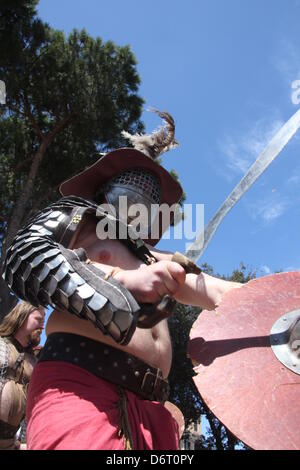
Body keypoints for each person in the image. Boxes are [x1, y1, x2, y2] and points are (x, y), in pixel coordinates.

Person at [2, 110, 240, 450]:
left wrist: (276, 301)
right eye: (135, 183)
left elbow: (216, 290)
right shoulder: (79, 221)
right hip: (80, 386)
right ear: (106, 188)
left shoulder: (153, 259)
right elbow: (25, 255)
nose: (141, 197)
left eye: (149, 192)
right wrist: (121, 282)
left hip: (154, 409)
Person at [0, 301, 45, 450]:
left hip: (8, 443)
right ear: (22, 316)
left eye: (43, 322)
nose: (42, 326)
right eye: (38, 320)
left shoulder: (34, 361)